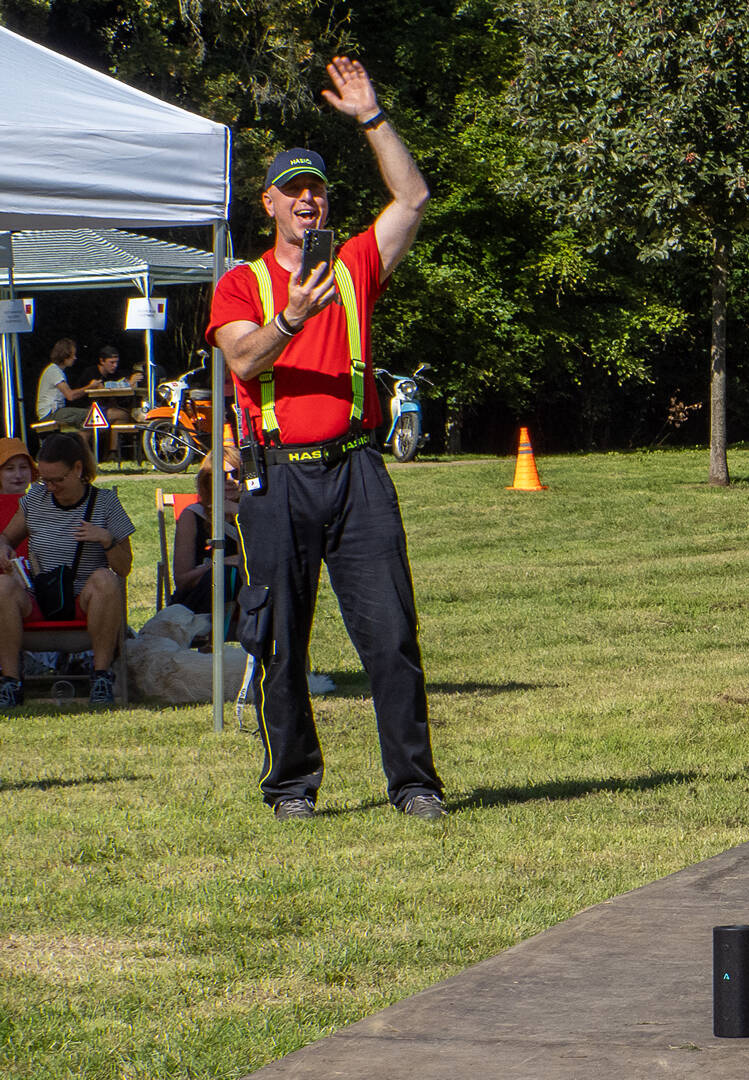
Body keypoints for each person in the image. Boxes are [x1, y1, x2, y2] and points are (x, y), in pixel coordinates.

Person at [206, 56, 443, 823]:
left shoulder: (354, 267)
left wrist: (372, 117)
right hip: (276, 477)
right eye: (294, 190)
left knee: (392, 636)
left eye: (317, 189)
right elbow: (244, 359)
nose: (307, 200)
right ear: (269, 203)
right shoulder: (242, 283)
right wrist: (290, 319)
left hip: (356, 469)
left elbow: (413, 197)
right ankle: (292, 788)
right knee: (279, 639)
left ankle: (414, 784)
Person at [0, 434, 135, 706]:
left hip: (84, 600)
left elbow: (124, 568)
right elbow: (6, 537)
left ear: (78, 469)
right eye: (45, 480)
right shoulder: (35, 499)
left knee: (105, 579)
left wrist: (107, 540)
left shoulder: (105, 503)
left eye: (58, 480)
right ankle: (10, 681)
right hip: (40, 596)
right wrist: (2, 547)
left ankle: (101, 676)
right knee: (2, 586)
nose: (50, 487)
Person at [167, 447, 243, 616]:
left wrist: (240, 513)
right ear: (207, 480)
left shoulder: (254, 513)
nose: (230, 481)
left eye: (236, 474)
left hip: (245, 599)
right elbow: (182, 581)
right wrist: (222, 562)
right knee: (225, 576)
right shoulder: (192, 515)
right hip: (200, 605)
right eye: (222, 476)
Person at [36, 339, 89, 429]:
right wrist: (90, 387)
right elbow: (70, 396)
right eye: (73, 355)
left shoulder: (57, 371)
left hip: (54, 412)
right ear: (65, 355)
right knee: (89, 415)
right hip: (50, 414)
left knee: (82, 421)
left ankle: (78, 436)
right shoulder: (54, 371)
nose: (75, 358)